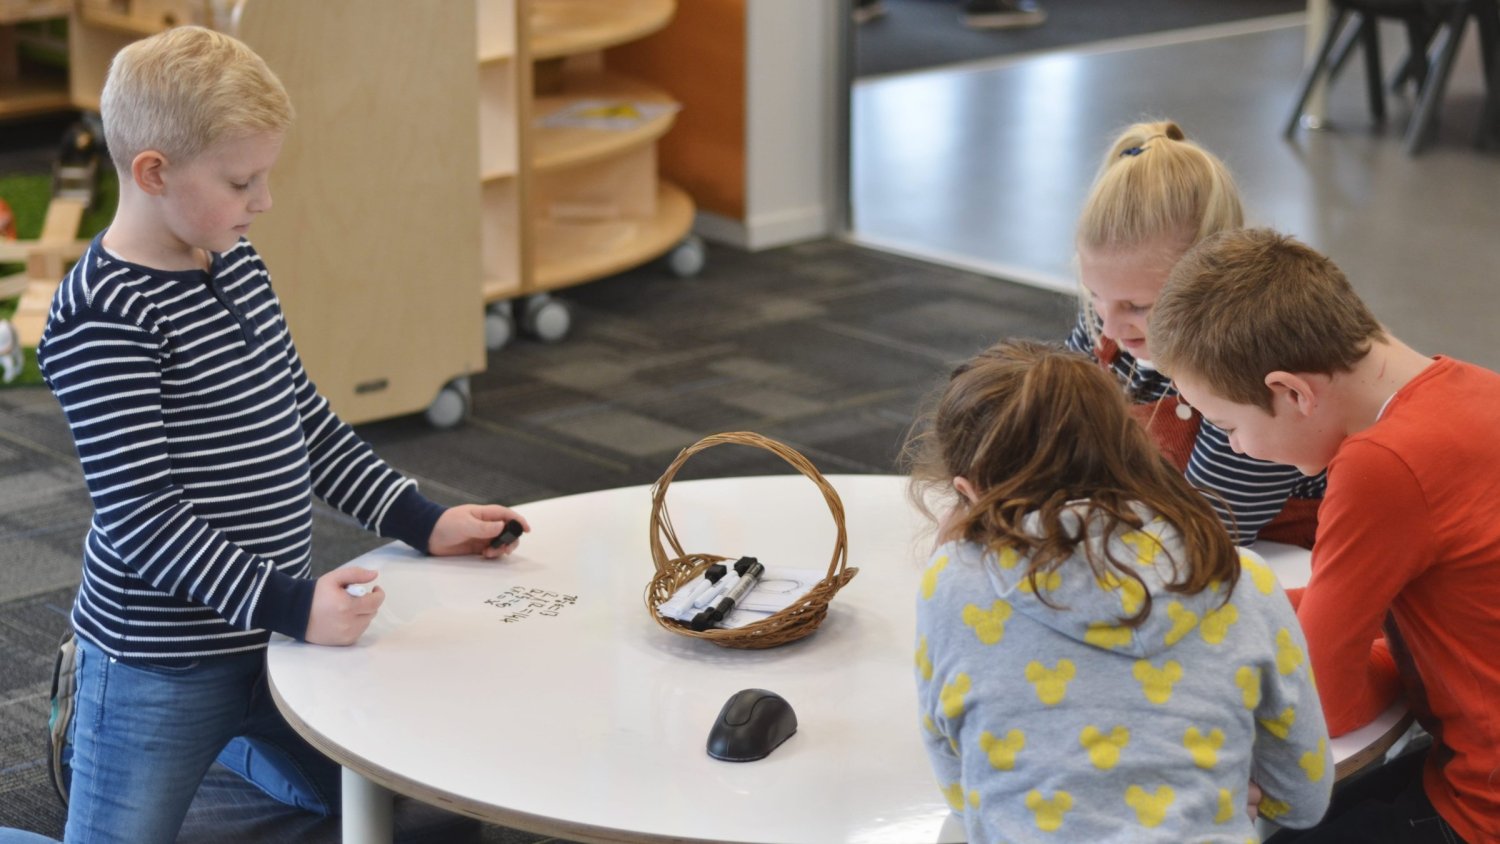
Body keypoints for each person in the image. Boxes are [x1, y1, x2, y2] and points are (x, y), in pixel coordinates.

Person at [2, 26, 529, 844]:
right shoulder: (100, 316)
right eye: (243, 180)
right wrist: (292, 604)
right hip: (159, 666)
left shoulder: (235, 258)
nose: (265, 201)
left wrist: (421, 519)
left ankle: (225, 761)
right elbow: (143, 516)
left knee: (420, 813)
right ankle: (97, 739)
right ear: (153, 173)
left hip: (277, 640)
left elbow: (306, 421)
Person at [1149, 228, 1500, 843]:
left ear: (1291, 392)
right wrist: (1241, 613)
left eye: (1227, 425)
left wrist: (1314, 651)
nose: (1233, 445)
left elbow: (1323, 706)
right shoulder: (1474, 387)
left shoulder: (1381, 466)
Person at [906, 339, 1331, 842]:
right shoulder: (1240, 577)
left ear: (968, 492)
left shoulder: (953, 581)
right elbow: (1304, 799)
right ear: (1135, 449)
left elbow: (960, 789)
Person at [1066, 119, 1323, 548]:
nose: (1109, 326)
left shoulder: (1252, 360)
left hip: (1281, 556)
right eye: (1095, 296)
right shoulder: (1109, 330)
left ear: (1206, 279)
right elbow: (1054, 433)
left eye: (1138, 306)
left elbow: (1212, 522)